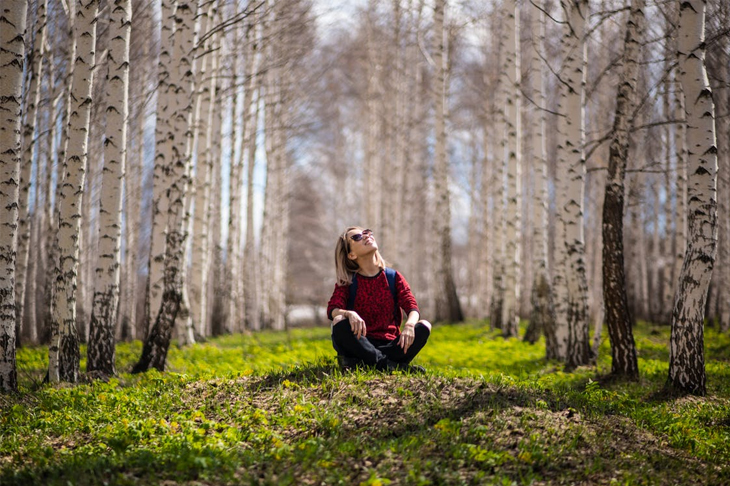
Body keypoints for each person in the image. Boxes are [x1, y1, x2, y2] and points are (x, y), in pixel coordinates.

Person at [327, 226, 431, 372]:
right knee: (339, 321)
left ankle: (375, 364)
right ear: (351, 255)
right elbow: (332, 310)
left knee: (424, 325)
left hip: (391, 346)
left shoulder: (393, 277)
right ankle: (391, 366)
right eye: (357, 237)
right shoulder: (348, 281)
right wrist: (349, 313)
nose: (366, 236)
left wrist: (409, 326)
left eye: (367, 232)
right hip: (360, 344)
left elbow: (412, 307)